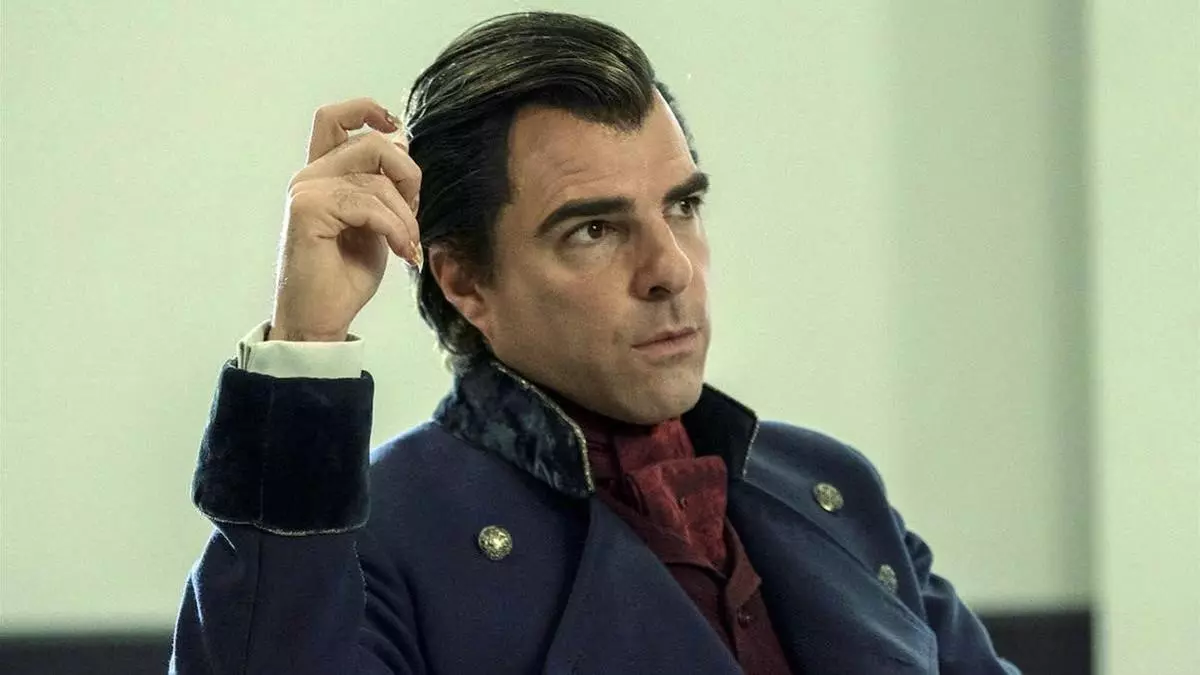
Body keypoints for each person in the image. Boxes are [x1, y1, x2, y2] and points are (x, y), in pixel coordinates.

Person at [169, 11, 1019, 675]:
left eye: (682, 206)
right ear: (465, 280)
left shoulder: (829, 487)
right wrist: (307, 343)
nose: (670, 268)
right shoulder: (376, 540)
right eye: (594, 230)